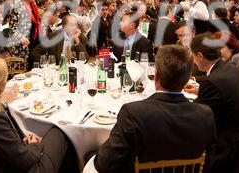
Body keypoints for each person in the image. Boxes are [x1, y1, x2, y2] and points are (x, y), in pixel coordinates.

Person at [92, 45, 216, 173]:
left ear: (156, 77)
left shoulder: (133, 113)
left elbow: (105, 164)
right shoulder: (205, 114)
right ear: (186, 81)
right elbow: (209, 161)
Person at [0, 58, 77, 173]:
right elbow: (26, 159)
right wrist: (35, 145)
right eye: (5, 78)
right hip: (21, 168)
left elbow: (1, 142)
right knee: (61, 131)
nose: (6, 81)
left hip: (4, 160)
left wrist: (19, 142)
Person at [185, 33, 239, 173]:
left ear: (200, 56)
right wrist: (200, 91)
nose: (194, 61)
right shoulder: (229, 68)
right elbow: (223, 96)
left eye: (193, 57)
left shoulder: (213, 81)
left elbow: (200, 119)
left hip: (232, 149)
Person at [7, 0, 43, 68]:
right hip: (21, 46)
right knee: (23, 73)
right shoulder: (16, 7)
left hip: (34, 41)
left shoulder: (33, 4)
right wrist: (21, 37)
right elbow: (12, 28)